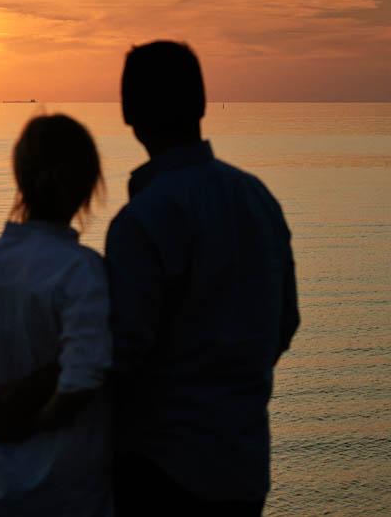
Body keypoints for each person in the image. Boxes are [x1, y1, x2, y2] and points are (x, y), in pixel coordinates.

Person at [105, 41, 300, 515]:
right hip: (243, 466)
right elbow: (286, 321)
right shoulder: (257, 198)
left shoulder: (143, 219)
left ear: (129, 112)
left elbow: (123, 354)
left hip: (159, 472)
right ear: (202, 105)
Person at [0, 114, 113, 517]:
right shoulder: (81, 272)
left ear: (20, 177)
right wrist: (36, 422)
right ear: (85, 185)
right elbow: (81, 381)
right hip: (65, 495)